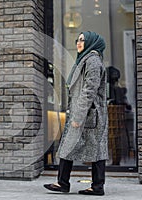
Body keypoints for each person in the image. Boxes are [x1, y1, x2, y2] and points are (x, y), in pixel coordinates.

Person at [43, 31, 109, 196]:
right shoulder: (86, 60)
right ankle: (63, 183)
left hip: (89, 114)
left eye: (82, 40)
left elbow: (89, 91)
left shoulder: (92, 61)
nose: (78, 43)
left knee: (96, 150)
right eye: (78, 40)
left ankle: (96, 187)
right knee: (71, 146)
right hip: (83, 112)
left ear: (92, 43)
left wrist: (78, 116)